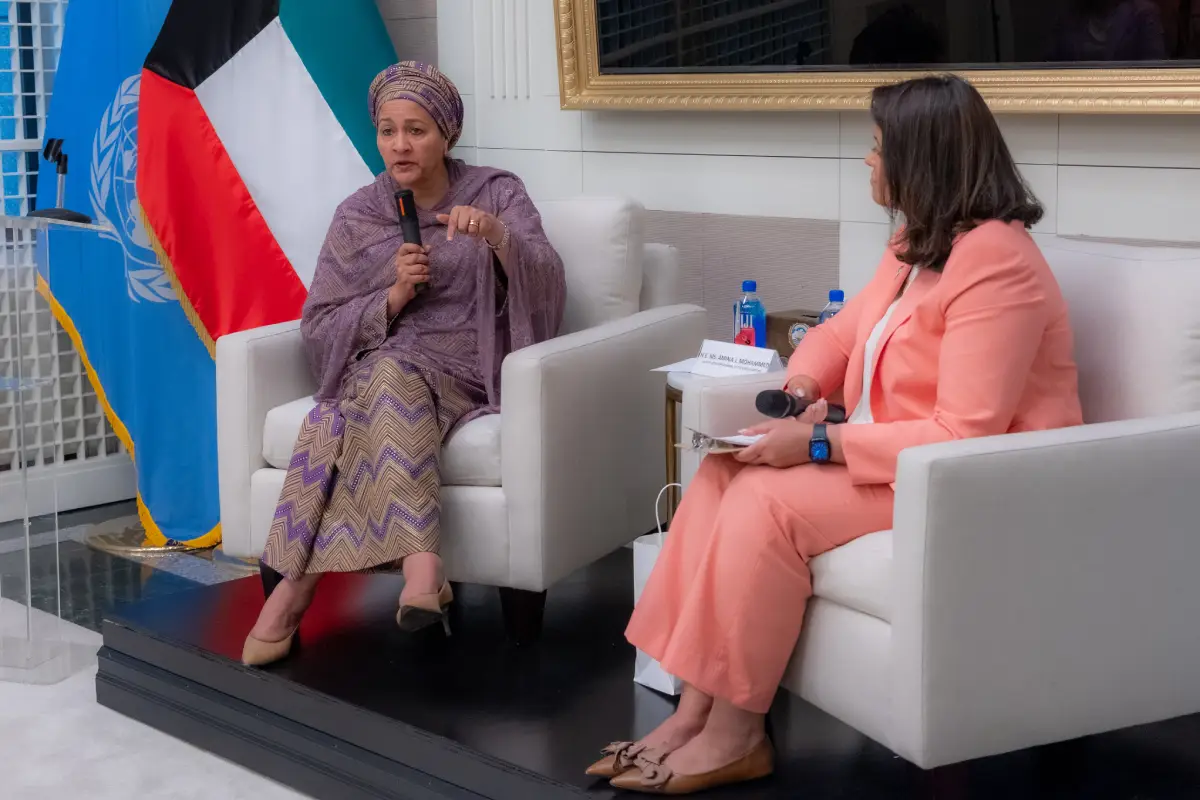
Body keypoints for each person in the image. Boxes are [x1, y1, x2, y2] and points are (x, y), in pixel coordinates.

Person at [591, 74, 1084, 795]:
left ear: (922, 159)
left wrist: (821, 445)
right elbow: (841, 335)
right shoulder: (917, 242)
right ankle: (692, 713)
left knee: (766, 503)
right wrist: (798, 393)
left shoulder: (997, 260)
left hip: (974, 481)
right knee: (726, 471)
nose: (868, 160)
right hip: (904, 461)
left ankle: (737, 735)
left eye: (879, 146)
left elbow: (962, 432)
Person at [242, 61, 566, 666]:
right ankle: (423, 570)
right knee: (381, 379)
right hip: (383, 361)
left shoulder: (497, 193)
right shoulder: (357, 214)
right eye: (387, 131)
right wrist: (391, 297)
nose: (400, 145)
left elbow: (548, 283)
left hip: (466, 363)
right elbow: (320, 326)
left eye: (416, 130)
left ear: (446, 134)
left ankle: (294, 591)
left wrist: (496, 237)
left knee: (358, 401)